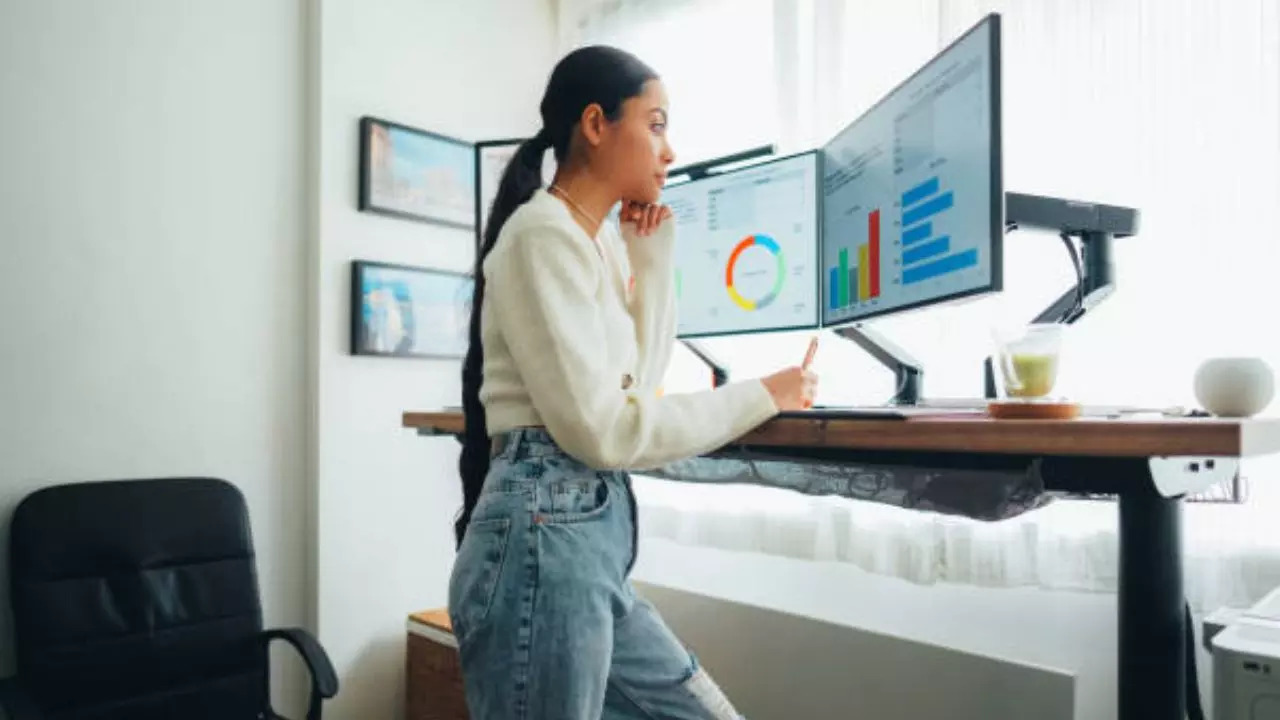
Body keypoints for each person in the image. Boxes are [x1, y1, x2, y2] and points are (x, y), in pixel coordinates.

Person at [449, 45, 818, 720]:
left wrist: (650, 258)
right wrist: (765, 394)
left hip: (580, 542)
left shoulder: (593, 241)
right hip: (544, 533)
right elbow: (611, 432)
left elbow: (637, 394)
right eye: (655, 124)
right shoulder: (542, 235)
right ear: (595, 124)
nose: (669, 150)